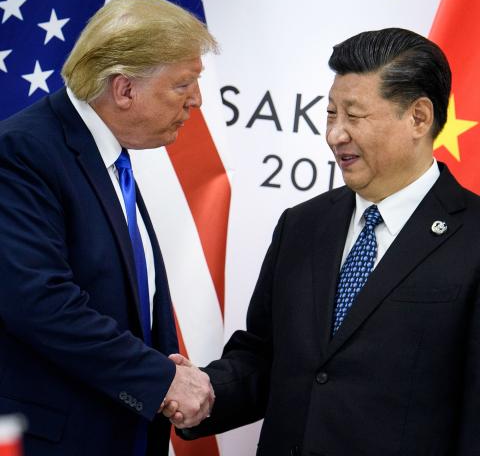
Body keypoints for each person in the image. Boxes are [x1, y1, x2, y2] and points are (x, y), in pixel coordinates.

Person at [166, 27, 480, 455]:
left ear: (419, 118)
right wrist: (203, 391)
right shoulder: (303, 225)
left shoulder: (473, 238)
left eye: (354, 115)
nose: (335, 134)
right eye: (331, 113)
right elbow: (264, 356)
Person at [0, 0, 216, 456]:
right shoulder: (23, 151)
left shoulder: (109, 157)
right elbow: (39, 301)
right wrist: (161, 379)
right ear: (124, 89)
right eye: (183, 84)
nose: (196, 101)